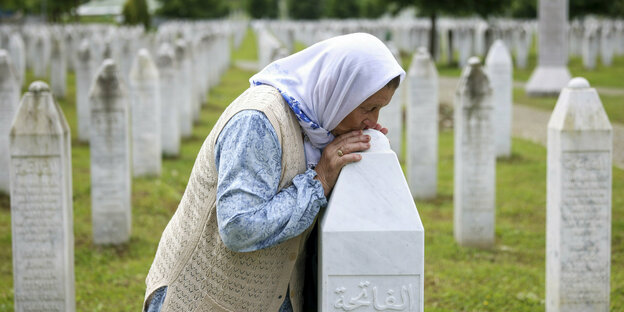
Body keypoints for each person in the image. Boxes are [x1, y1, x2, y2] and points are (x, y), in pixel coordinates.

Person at [143, 32, 405, 312]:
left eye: (380, 109)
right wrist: (320, 179)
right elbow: (239, 226)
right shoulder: (258, 121)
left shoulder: (318, 127)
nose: (373, 120)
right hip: (204, 299)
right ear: (338, 90)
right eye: (369, 108)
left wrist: (358, 161)